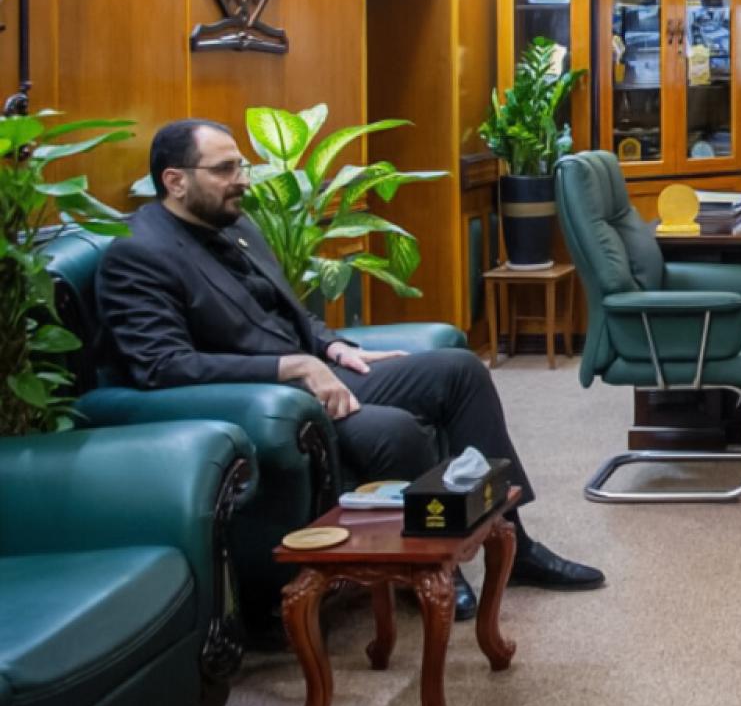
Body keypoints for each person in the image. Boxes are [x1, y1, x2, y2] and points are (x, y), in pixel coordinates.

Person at [97, 119, 604, 624]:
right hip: (268, 398)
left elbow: (290, 311)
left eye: (241, 166)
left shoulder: (236, 225)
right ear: (175, 180)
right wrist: (290, 368)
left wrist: (333, 347)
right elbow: (164, 367)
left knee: (460, 370)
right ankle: (430, 566)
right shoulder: (138, 253)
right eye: (225, 169)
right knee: (395, 429)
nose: (242, 180)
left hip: (316, 372)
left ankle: (514, 543)